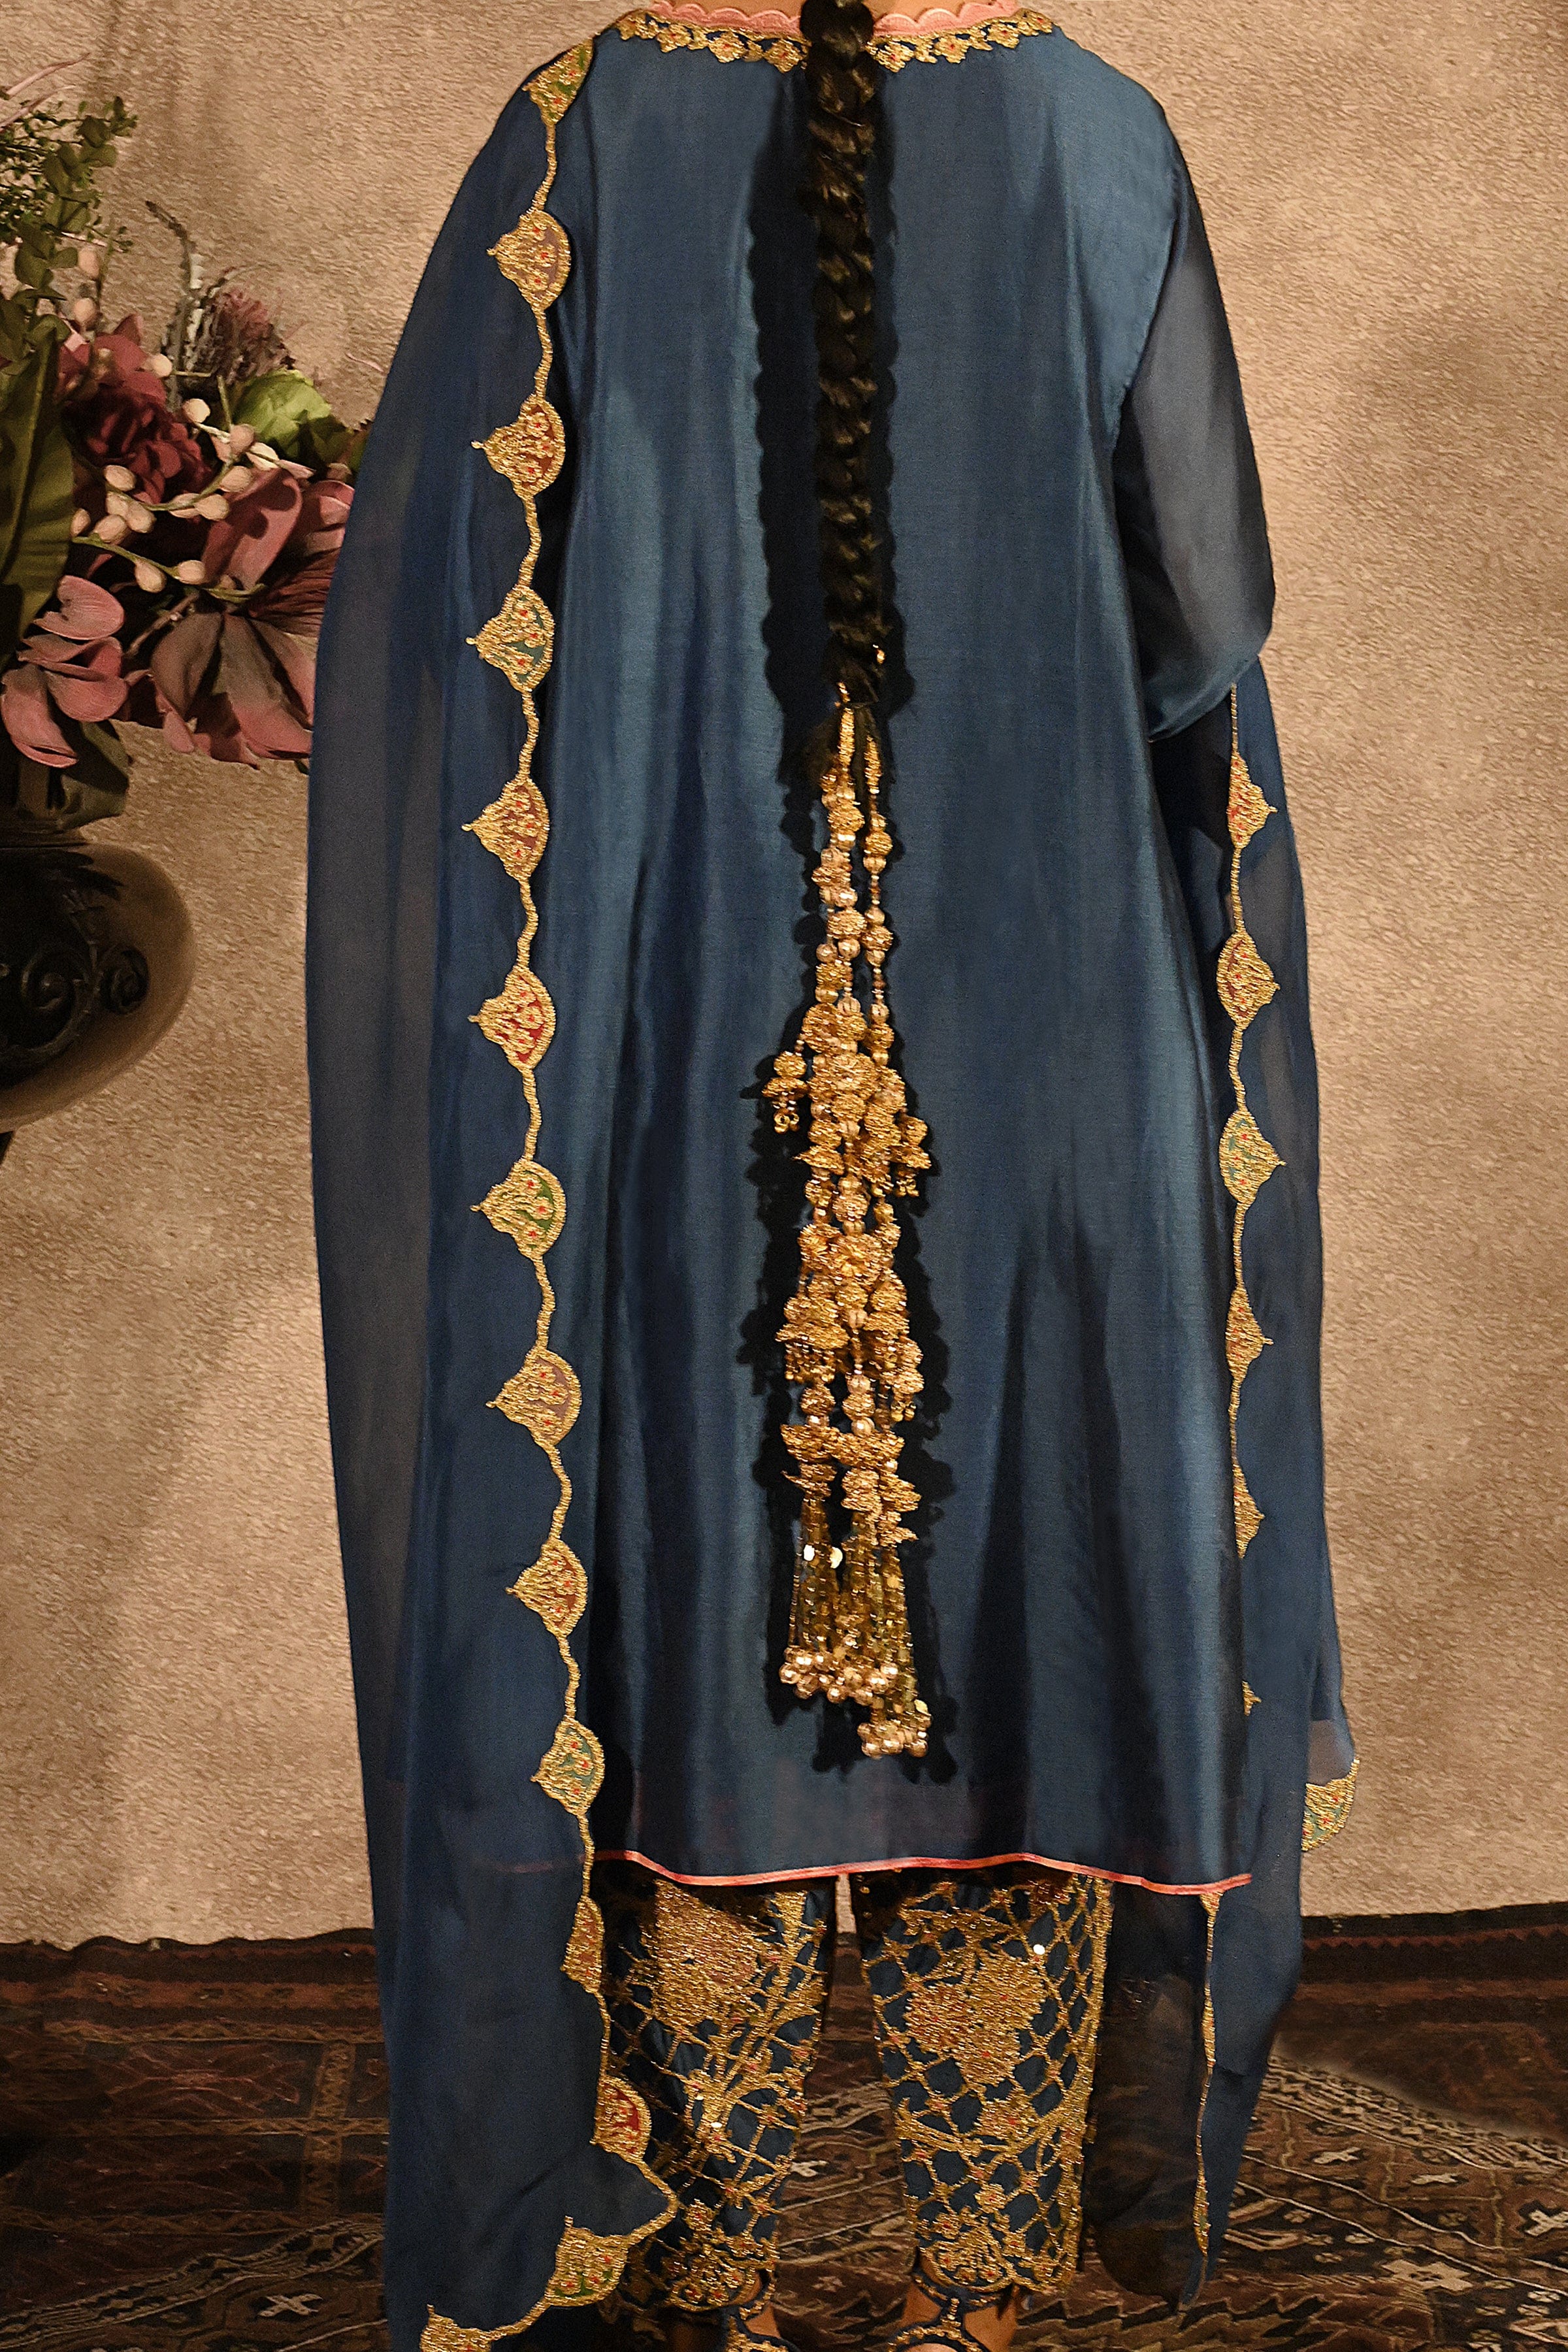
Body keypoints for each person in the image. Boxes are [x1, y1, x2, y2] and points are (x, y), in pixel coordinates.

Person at [305, 4, 1358, 2349]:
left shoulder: (581, 130)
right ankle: (981, 2287)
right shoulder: (1098, 132)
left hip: (679, 1026)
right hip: (1056, 1031)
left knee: (692, 1613)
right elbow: (1203, 620)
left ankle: (724, 2268)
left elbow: (457, 624)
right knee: (1042, 1619)